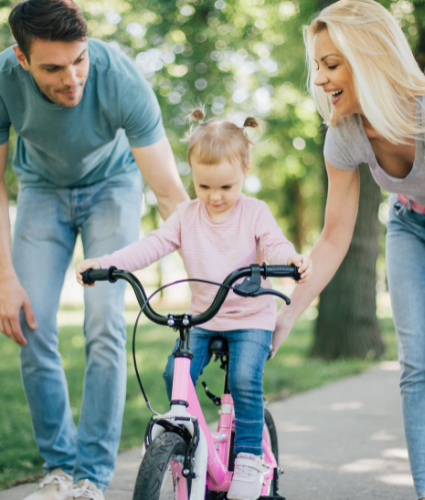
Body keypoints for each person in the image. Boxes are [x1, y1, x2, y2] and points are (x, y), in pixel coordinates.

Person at [270, 1, 425, 499]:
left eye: (331, 65)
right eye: (317, 66)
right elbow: (333, 237)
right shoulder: (344, 135)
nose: (319, 79)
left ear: (369, 58)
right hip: (411, 227)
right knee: (415, 368)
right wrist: (286, 313)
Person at [0, 1, 188, 499]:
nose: (72, 79)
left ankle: (91, 477)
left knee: (104, 323)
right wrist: (5, 278)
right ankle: (59, 470)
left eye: (79, 60)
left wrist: (209, 275)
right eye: (53, 67)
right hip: (41, 193)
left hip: (112, 187)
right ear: (21, 60)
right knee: (31, 322)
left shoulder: (119, 78)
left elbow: (170, 192)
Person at [76, 109, 312, 500]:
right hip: (205, 317)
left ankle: (250, 455)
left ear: (245, 171)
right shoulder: (186, 215)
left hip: (251, 317)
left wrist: (290, 259)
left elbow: (273, 242)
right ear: (191, 172)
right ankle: (192, 444)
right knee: (173, 377)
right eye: (204, 186)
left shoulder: (254, 212)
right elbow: (149, 246)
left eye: (226, 187)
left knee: (243, 380)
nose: (215, 197)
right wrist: (105, 264)